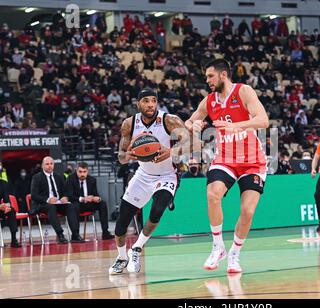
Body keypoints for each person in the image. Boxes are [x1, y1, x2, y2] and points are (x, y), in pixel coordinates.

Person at [185, 59, 269, 273]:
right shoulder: (209, 101)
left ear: (223, 75)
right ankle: (218, 246)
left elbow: (263, 120)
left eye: (210, 76)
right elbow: (188, 121)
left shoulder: (244, 91)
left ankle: (235, 254)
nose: (207, 81)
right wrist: (192, 124)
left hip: (253, 162)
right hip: (225, 159)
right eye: (206, 77)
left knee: (247, 210)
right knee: (212, 194)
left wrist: (235, 126)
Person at [109, 88, 188, 275]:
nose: (151, 104)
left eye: (154, 100)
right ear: (138, 104)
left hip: (167, 175)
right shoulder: (129, 124)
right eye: (146, 100)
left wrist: (171, 152)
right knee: (121, 224)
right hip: (143, 175)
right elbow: (120, 156)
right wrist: (127, 155)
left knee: (157, 209)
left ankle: (137, 248)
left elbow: (190, 142)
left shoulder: (170, 120)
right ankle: (122, 257)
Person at [30, 157, 79, 244]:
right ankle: (60, 234)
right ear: (42, 166)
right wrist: (48, 199)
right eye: (47, 164)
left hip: (58, 203)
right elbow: (34, 196)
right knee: (51, 207)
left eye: (51, 164)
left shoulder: (59, 176)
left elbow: (65, 191)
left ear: (54, 165)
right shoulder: (36, 177)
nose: (49, 166)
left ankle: (75, 234)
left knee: (70, 206)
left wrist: (65, 197)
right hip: (43, 204)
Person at [65, 162, 114, 240]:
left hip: (89, 204)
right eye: (80, 172)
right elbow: (69, 196)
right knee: (74, 206)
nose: (82, 174)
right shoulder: (70, 179)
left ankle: (105, 232)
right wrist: (83, 198)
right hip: (77, 203)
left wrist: (96, 198)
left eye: (84, 172)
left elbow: (95, 194)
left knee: (102, 204)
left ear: (87, 171)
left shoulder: (92, 180)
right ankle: (75, 234)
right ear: (76, 171)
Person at [0, 179, 21, 247]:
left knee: (11, 211)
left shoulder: (3, 183)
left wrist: (7, 206)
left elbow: (6, 199)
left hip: (1, 208)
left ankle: (14, 240)